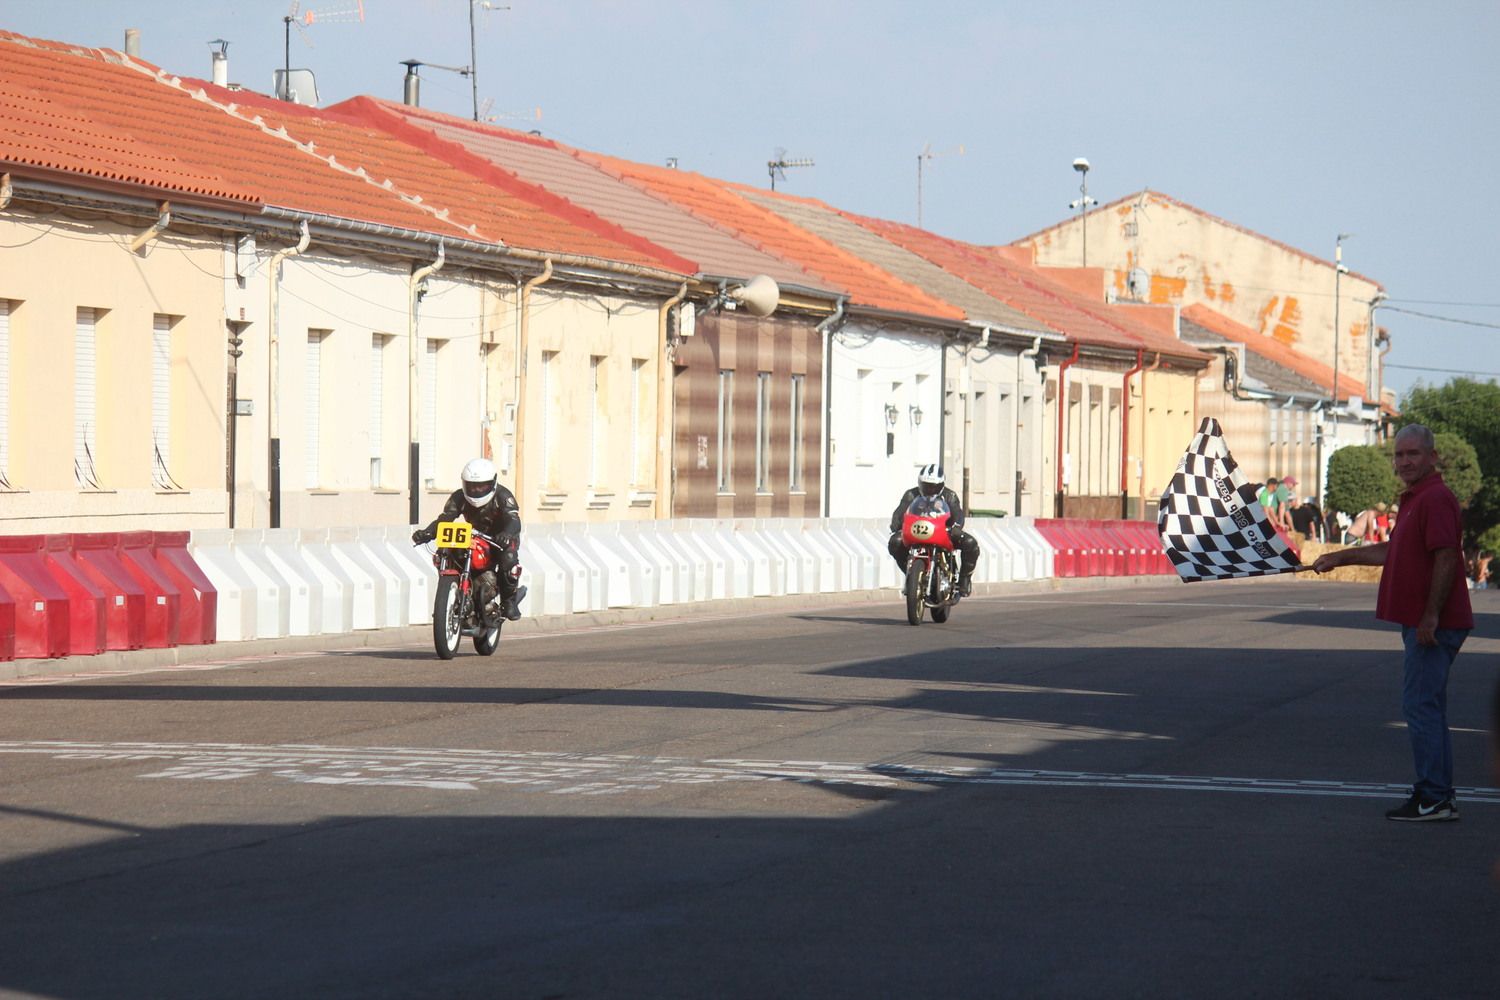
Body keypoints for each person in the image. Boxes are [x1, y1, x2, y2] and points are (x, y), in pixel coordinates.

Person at [1312, 425, 1474, 821]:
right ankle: (1436, 794)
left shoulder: (1435, 498)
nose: (1404, 462)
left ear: (1433, 457)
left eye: (1413, 454)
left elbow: (1446, 556)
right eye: (1400, 455)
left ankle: (1434, 797)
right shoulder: (1416, 498)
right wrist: (1340, 557)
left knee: (1420, 707)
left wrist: (1431, 615)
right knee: (1428, 708)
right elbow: (1391, 550)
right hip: (1425, 621)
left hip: (1431, 624)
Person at [412, 457, 525, 623]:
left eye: (482, 486)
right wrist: (428, 532)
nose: (477, 490)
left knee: (508, 558)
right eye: (472, 486)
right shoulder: (458, 497)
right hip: (474, 534)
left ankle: (509, 601)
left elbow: (513, 519)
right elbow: (446, 518)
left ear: (492, 483)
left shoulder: (503, 495)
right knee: (447, 552)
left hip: (500, 537)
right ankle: (452, 593)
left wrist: (506, 534)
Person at [887, 464, 981, 598]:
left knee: (970, 543)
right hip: (917, 531)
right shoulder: (911, 495)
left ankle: (964, 579)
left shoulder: (950, 496)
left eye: (933, 486)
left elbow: (958, 514)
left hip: (942, 532)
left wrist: (955, 526)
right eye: (926, 485)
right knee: (895, 542)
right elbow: (900, 512)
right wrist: (896, 526)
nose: (930, 489)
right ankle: (911, 574)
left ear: (941, 485)